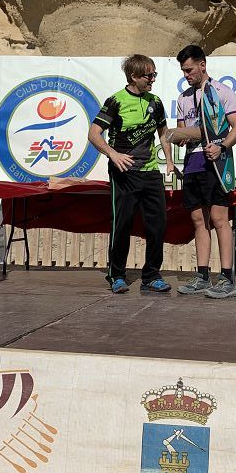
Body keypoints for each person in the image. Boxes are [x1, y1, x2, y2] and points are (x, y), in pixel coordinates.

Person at [88, 54, 175, 294]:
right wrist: (113, 155)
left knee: (158, 225)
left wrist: (168, 161)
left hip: (150, 172)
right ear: (134, 76)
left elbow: (163, 133)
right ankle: (116, 275)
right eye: (149, 75)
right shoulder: (115, 101)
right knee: (122, 224)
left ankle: (151, 275)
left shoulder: (155, 102)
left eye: (154, 74)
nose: (153, 80)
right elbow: (94, 134)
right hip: (124, 172)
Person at [174, 45, 236, 299]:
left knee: (219, 219)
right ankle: (202, 275)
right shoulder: (183, 98)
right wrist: (174, 136)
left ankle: (226, 277)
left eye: (189, 70)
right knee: (197, 221)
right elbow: (183, 131)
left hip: (216, 162)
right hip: (192, 163)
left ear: (202, 65)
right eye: (183, 71)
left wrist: (222, 146)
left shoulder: (222, 92)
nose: (186, 75)